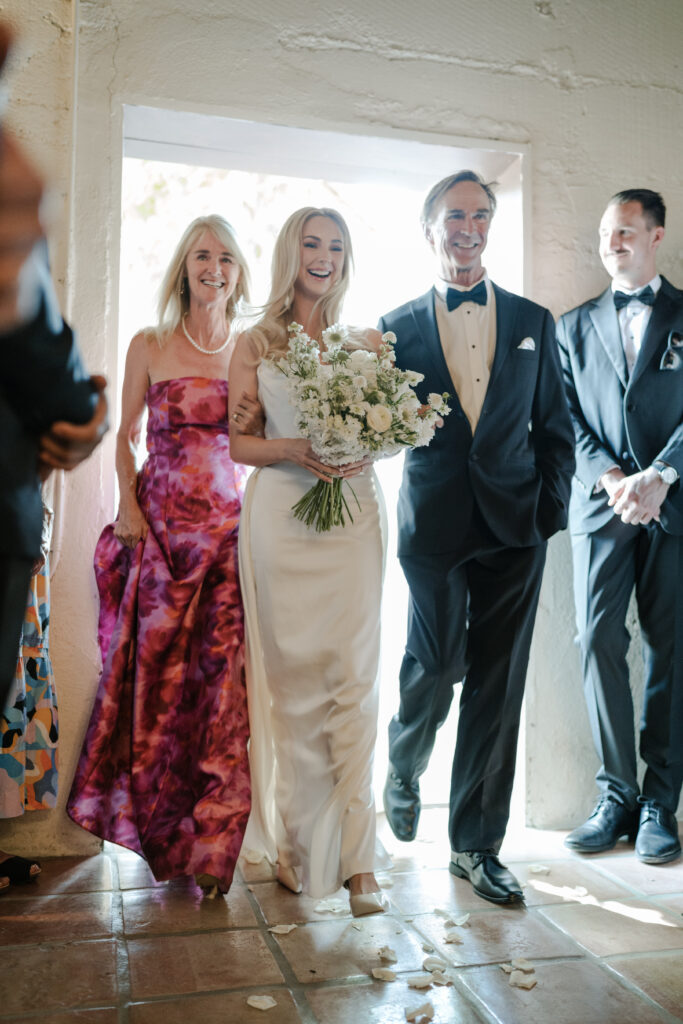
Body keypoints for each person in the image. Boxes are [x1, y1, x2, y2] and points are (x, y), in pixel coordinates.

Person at [380, 171, 575, 905]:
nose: (469, 227)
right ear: (429, 227)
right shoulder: (393, 326)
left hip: (515, 527)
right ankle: (404, 761)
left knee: (498, 681)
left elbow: (555, 429)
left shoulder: (532, 320)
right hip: (433, 524)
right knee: (436, 664)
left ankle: (475, 846)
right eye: (455, 215)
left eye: (481, 215)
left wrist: (546, 512)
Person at [67, 215, 256, 896]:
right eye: (202, 255)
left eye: (226, 258)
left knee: (222, 691)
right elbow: (125, 436)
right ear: (184, 267)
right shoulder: (148, 344)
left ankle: (212, 846)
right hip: (162, 537)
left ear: (239, 273)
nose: (214, 268)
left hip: (228, 539)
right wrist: (128, 505)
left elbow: (260, 441)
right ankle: (161, 837)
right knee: (157, 690)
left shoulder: (251, 350)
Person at [230, 207, 391, 916]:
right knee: (292, 687)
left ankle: (359, 864)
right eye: (311, 243)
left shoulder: (367, 342)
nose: (323, 256)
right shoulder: (255, 341)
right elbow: (240, 444)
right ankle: (299, 853)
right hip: (280, 519)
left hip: (352, 515)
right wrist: (292, 449)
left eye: (336, 246)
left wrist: (369, 446)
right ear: (289, 253)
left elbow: (390, 430)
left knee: (352, 677)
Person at [557, 189, 682, 865]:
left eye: (627, 231)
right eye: (607, 232)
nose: (613, 243)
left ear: (656, 236)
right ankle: (616, 796)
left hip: (675, 504)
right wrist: (611, 480)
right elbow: (563, 416)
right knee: (595, 638)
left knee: (672, 648)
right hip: (600, 508)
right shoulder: (570, 326)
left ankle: (661, 803)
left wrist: (662, 473)